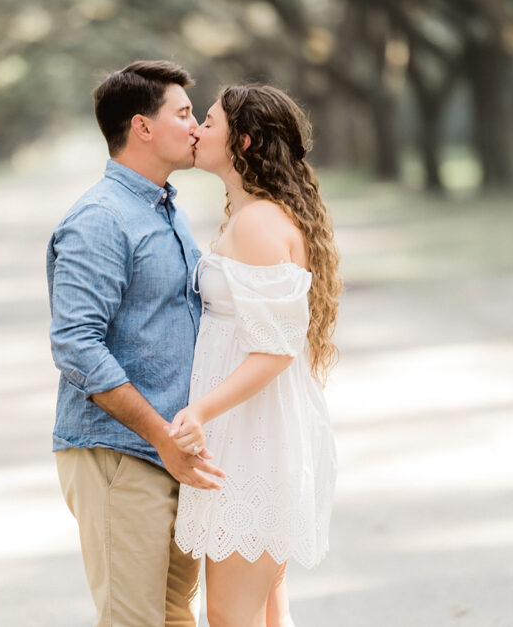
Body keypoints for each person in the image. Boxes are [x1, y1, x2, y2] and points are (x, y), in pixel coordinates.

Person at [46, 60, 226, 627]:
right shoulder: (100, 219)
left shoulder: (165, 208)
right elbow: (76, 343)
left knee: (175, 615)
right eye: (183, 113)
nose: (195, 126)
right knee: (134, 621)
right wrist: (160, 436)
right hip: (120, 454)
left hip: (171, 451)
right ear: (142, 127)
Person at [169, 84, 342, 627]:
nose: (196, 127)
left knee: (230, 615)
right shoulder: (251, 216)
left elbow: (275, 352)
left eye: (210, 122)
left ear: (241, 142)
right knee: (267, 609)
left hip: (253, 438)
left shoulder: (258, 223)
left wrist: (199, 412)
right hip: (251, 431)